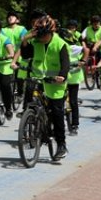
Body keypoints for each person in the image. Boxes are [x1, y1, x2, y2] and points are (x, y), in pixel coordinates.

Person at [28, 16, 71, 160]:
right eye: (39, 35)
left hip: (55, 84)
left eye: (44, 35)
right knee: (31, 98)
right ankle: (34, 124)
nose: (42, 38)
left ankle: (61, 144)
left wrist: (62, 76)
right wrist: (25, 39)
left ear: (52, 32)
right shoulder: (35, 42)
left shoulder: (60, 44)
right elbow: (25, 54)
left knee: (57, 113)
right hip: (39, 79)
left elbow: (65, 63)